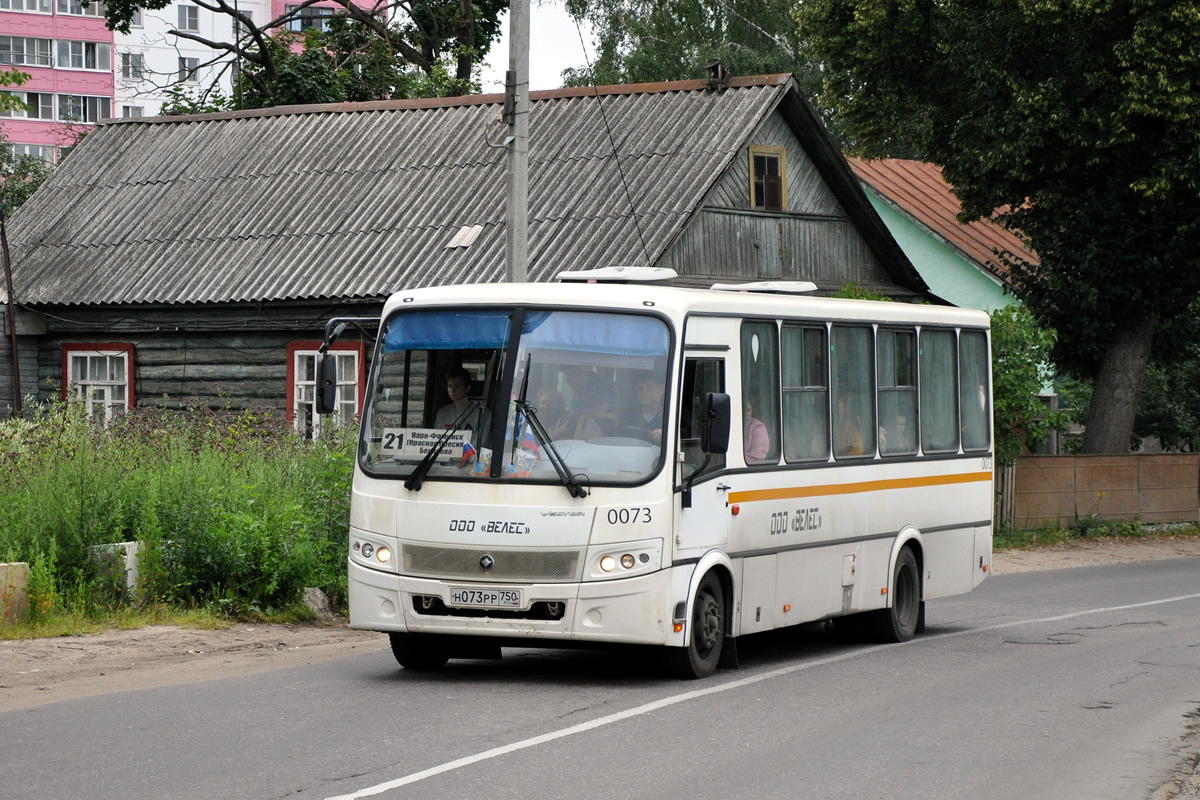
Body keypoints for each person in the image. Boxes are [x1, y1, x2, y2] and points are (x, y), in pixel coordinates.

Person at [434, 367, 491, 440]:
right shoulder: (442, 414)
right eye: (450, 386)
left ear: (467, 388)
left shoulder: (481, 413)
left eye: (457, 386)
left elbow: (482, 442)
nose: (452, 390)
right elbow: (436, 438)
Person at [622, 373, 665, 444]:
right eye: (640, 388)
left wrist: (665, 433)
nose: (644, 392)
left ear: (661, 389)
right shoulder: (629, 415)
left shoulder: (672, 413)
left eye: (649, 388)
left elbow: (685, 434)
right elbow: (621, 436)